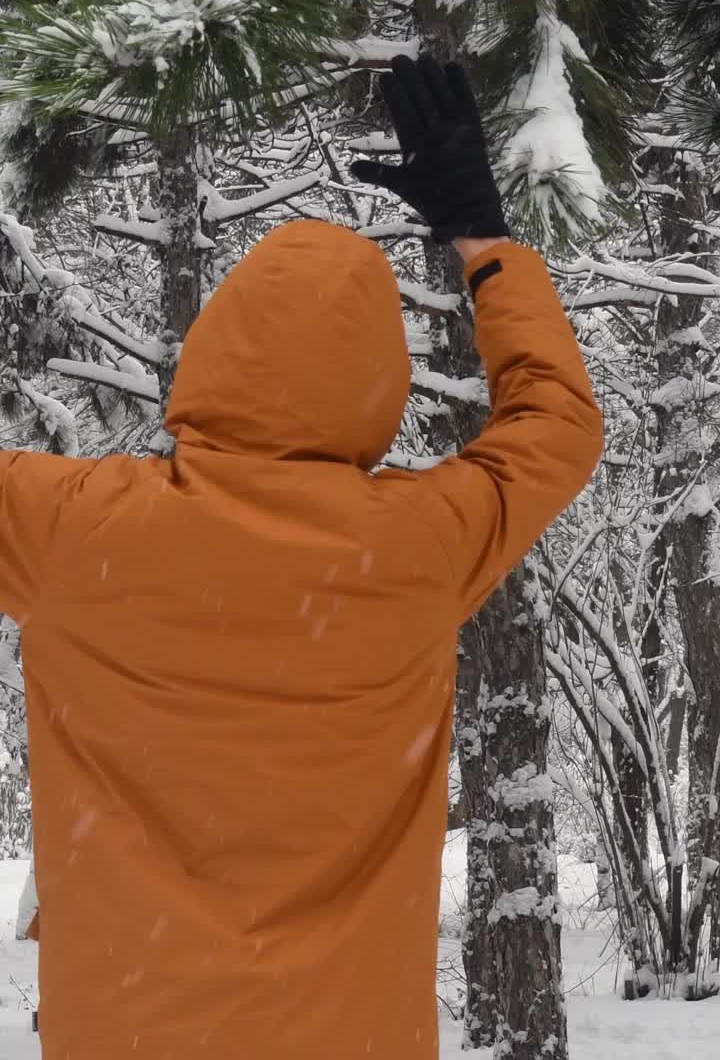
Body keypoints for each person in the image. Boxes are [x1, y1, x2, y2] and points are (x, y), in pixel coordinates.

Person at [0, 57, 602, 1060]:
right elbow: (558, 427)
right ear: (378, 388)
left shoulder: (73, 530)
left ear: (211, 353)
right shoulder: (416, 550)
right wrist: (482, 242)